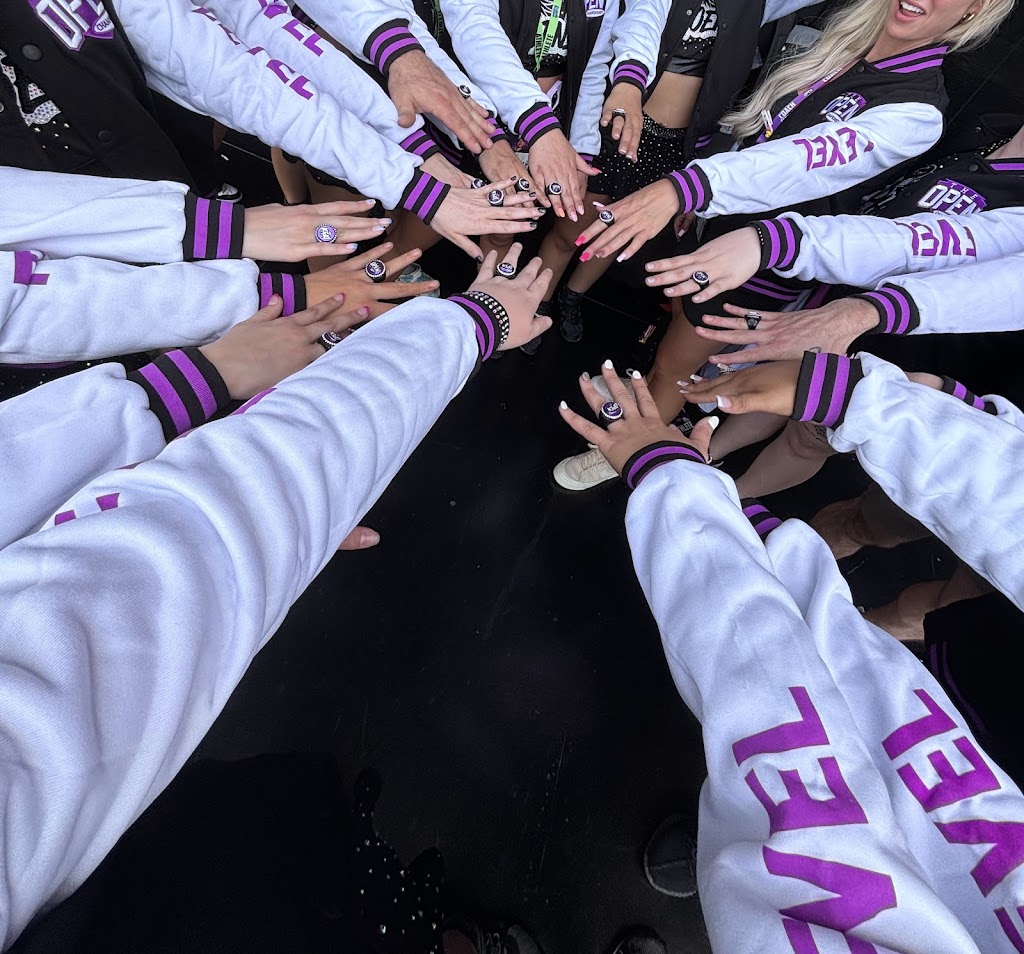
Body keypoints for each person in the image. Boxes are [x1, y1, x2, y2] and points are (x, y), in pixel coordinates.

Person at [0, 247, 552, 951]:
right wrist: (474, 319)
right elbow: (185, 546)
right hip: (206, 895)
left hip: (169, 859)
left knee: (281, 833)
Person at [559, 356, 1024, 951]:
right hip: (975, 697)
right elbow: (876, 703)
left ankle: (750, 829)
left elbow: (777, 694)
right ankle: (752, 825)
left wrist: (688, 492)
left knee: (822, 746)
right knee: (917, 651)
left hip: (890, 708)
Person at [555, 0, 1013, 489]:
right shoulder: (847, 44)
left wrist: (689, 188)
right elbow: (764, 131)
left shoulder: (916, 111)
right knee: (676, 335)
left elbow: (800, 161)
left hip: (765, 264)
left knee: (676, 363)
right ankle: (646, 398)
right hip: (723, 231)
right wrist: (707, 195)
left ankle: (626, 455)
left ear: (976, 9)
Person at [652, 117, 1024, 497]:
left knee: (811, 432)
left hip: (905, 328)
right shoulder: (981, 129)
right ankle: (706, 453)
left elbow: (936, 249)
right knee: (784, 377)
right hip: (845, 277)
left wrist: (791, 248)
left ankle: (730, 497)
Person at [0, 0, 536, 262]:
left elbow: (253, 34)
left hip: (160, 186)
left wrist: (413, 148)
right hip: (51, 263)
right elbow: (228, 70)